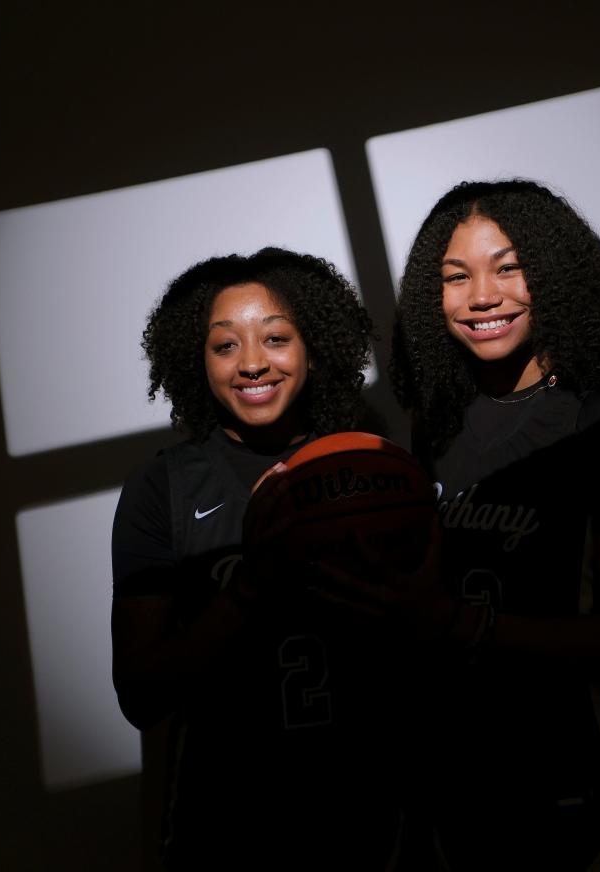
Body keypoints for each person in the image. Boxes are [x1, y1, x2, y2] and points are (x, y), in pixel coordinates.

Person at [389, 179, 600, 870]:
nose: (482, 296)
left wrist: (463, 624)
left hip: (595, 798)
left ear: (553, 276)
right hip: (473, 798)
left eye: (508, 267)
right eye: (455, 276)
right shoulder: (436, 427)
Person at [109, 248, 403, 869]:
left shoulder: (373, 468)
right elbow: (140, 693)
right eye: (224, 346)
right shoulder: (164, 487)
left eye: (275, 338)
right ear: (197, 361)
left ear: (314, 347)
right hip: (225, 822)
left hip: (373, 814)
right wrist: (252, 586)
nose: (251, 364)